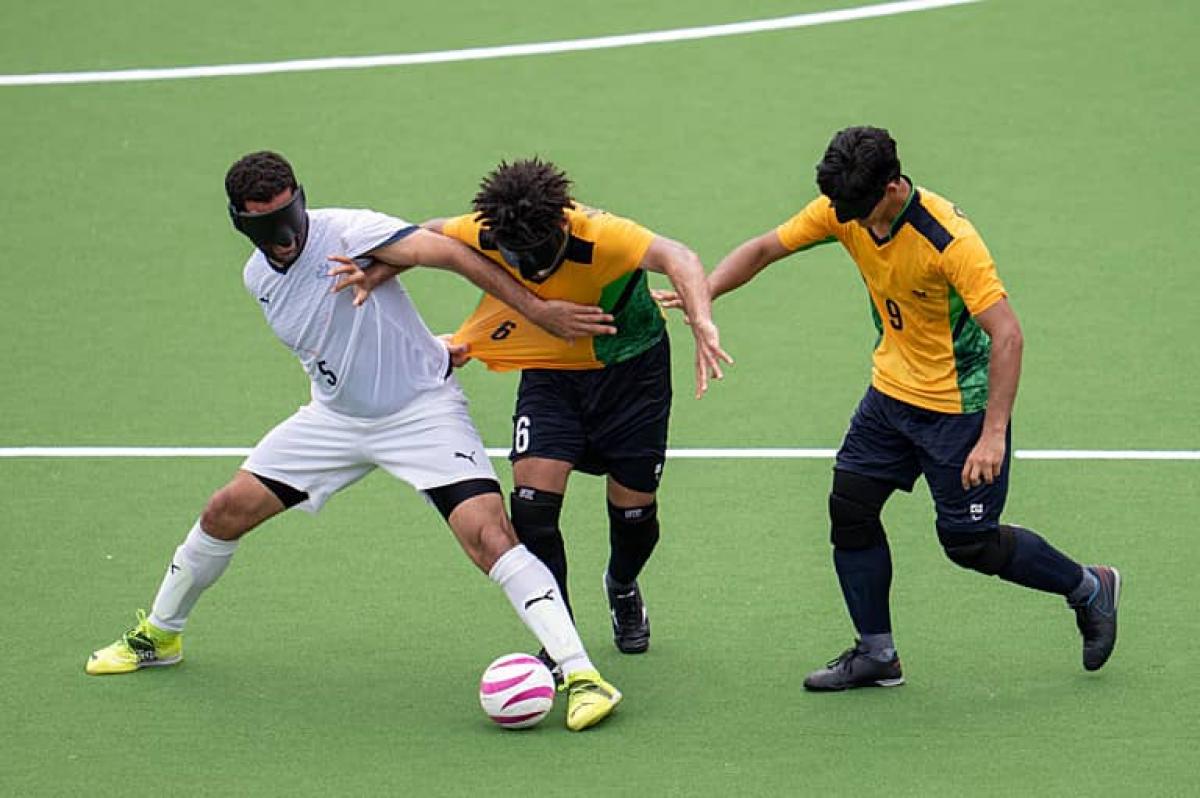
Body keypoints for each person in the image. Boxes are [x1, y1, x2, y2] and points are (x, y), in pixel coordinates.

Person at [86, 151, 623, 731]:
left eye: (290, 214)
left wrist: (538, 312)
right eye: (266, 224)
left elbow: (449, 251)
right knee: (224, 511)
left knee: (488, 536)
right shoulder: (257, 279)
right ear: (242, 223)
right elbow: (332, 344)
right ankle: (160, 636)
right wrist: (424, 344)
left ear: (301, 200)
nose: (285, 233)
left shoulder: (351, 232)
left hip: (422, 413)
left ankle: (581, 673)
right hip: (335, 420)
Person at [655, 126, 1120, 690]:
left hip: (959, 407)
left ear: (895, 186)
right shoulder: (844, 209)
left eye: (860, 210)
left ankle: (1089, 588)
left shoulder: (949, 239)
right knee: (850, 508)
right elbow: (764, 249)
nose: (849, 222)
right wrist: (704, 293)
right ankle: (877, 653)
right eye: (841, 210)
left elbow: (1009, 336)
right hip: (891, 396)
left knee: (969, 544)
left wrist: (993, 433)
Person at [335, 157, 731, 669]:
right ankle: (558, 633)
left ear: (562, 225)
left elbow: (680, 256)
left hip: (632, 376)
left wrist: (701, 321)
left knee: (634, 513)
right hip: (550, 375)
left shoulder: (602, 235)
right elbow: (429, 235)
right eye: (518, 257)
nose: (531, 268)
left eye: (540, 255)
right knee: (532, 507)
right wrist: (379, 270)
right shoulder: (494, 230)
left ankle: (623, 584)